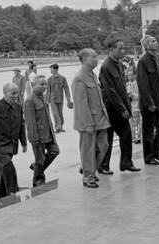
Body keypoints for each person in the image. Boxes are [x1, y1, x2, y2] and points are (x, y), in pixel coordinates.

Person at [72, 48, 111, 188]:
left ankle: (88, 167)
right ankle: (88, 176)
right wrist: (87, 123)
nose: (96, 59)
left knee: (104, 146)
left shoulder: (92, 75)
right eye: (93, 57)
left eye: (96, 56)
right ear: (83, 60)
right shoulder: (79, 78)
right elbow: (81, 104)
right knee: (88, 149)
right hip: (88, 121)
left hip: (100, 119)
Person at [99, 40, 140, 174]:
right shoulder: (106, 67)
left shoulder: (119, 65)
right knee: (108, 137)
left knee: (126, 134)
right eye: (120, 48)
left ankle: (125, 163)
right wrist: (122, 109)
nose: (123, 51)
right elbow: (110, 91)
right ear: (111, 49)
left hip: (120, 106)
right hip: (111, 108)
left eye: (124, 48)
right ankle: (104, 165)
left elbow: (121, 88)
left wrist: (126, 106)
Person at [0, 83, 27, 199]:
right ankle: (13, 191)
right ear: (5, 93)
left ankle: (0, 195)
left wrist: (23, 143)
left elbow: (21, 126)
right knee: (8, 166)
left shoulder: (18, 107)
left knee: (3, 171)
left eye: (17, 93)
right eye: (13, 93)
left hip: (12, 145)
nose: (15, 95)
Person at [136, 35, 159, 165]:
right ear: (146, 46)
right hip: (148, 104)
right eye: (153, 41)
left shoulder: (157, 59)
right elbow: (143, 85)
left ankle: (157, 152)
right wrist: (149, 103)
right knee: (148, 131)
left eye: (156, 40)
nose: (156, 43)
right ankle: (149, 157)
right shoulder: (143, 61)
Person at [24, 75, 60, 187]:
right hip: (38, 136)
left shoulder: (43, 97)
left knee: (55, 151)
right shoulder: (29, 100)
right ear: (33, 85)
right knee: (40, 160)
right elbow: (30, 122)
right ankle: (38, 182)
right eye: (41, 84)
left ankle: (36, 167)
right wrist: (33, 138)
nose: (45, 86)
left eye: (45, 84)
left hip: (49, 134)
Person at [46, 64, 73, 133]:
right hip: (52, 99)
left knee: (60, 113)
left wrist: (68, 99)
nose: (50, 71)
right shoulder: (49, 79)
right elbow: (48, 90)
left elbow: (66, 89)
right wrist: (47, 100)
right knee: (55, 113)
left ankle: (60, 126)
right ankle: (58, 127)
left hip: (60, 98)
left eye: (51, 69)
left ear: (55, 69)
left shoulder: (63, 78)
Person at [126, 69, 142, 144]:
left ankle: (138, 137)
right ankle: (132, 137)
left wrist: (133, 96)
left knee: (138, 122)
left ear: (134, 75)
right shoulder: (127, 84)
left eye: (131, 75)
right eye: (128, 75)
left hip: (136, 106)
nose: (130, 77)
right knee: (130, 123)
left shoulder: (138, 84)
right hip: (130, 107)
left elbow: (140, 95)